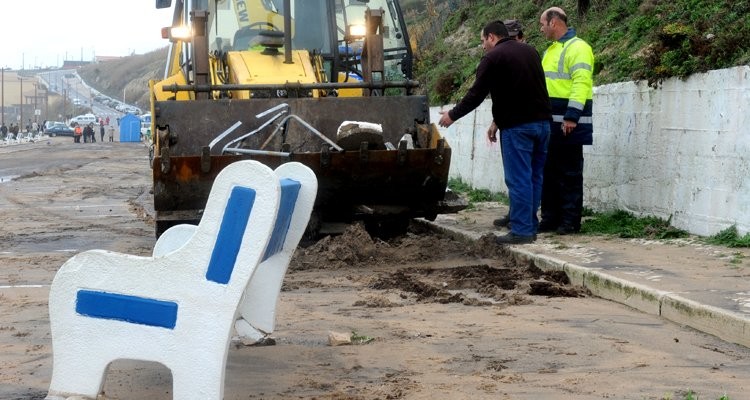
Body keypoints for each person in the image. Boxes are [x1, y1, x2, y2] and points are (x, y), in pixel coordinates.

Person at [438, 20, 551, 244]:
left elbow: (475, 95)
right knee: (535, 177)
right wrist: (497, 121)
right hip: (543, 124)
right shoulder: (531, 51)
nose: (482, 46)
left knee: (518, 179)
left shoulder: (493, 58)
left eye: (483, 41)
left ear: (492, 37)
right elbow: (527, 89)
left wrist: (452, 115)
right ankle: (529, 224)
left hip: (517, 128)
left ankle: (521, 231)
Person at [538, 7, 595, 235]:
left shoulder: (578, 47)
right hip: (551, 124)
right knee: (549, 172)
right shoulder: (550, 51)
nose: (541, 28)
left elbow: (581, 83)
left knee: (569, 174)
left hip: (569, 123)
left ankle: (570, 221)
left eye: (542, 24)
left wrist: (572, 117)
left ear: (553, 22)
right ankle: (550, 219)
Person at [492, 18, 527, 230]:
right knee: (518, 177)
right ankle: (517, 215)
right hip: (517, 122)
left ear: (521, 38)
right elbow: (506, 96)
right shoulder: (507, 59)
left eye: (514, 38)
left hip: (524, 124)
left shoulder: (527, 58)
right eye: (508, 38)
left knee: (522, 177)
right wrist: (496, 122)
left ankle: (523, 224)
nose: (511, 43)